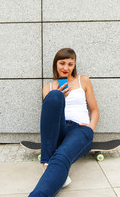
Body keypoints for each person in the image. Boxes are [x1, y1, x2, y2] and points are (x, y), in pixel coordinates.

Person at [29, 48, 100, 197]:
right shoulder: (47, 87)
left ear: (74, 65)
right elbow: (48, 117)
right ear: (56, 64)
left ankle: (47, 165)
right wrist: (61, 99)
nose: (66, 68)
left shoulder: (83, 80)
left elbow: (94, 110)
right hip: (59, 128)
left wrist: (90, 128)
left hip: (79, 129)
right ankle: (51, 166)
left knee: (61, 156)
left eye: (70, 64)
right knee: (55, 96)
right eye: (62, 63)